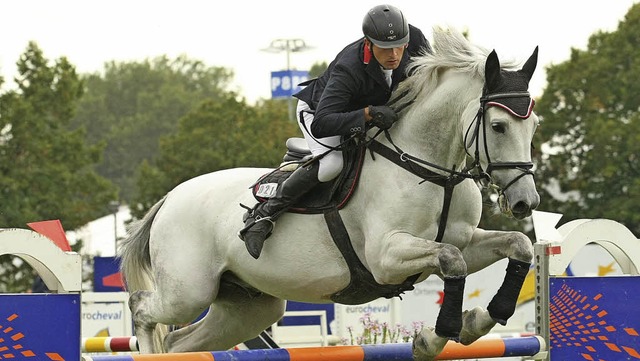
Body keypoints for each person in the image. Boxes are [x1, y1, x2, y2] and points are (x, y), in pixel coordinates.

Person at [239, 4, 432, 259]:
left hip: (362, 110)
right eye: (386, 49)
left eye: (400, 46)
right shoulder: (348, 69)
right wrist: (367, 114)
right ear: (369, 43)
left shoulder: (413, 37)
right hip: (318, 112)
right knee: (332, 164)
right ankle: (263, 215)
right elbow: (323, 122)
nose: (395, 55)